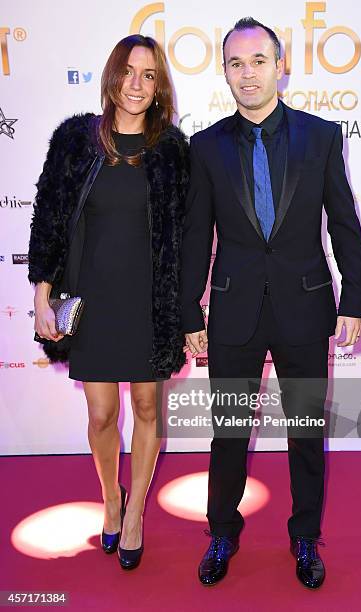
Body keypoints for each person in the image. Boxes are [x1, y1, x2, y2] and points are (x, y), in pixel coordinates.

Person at [181, 17, 361, 588]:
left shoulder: (320, 137)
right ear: (225, 72)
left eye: (259, 61)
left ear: (280, 66)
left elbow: (343, 222)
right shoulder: (206, 146)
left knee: (307, 430)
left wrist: (355, 299)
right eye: (236, 64)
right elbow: (196, 235)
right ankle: (222, 531)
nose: (248, 74)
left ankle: (305, 537)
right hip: (234, 312)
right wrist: (190, 310)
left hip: (306, 308)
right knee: (229, 432)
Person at [28, 34, 189, 570]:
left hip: (147, 301)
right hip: (91, 298)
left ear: (159, 84)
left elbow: (185, 235)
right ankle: (111, 498)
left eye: (148, 74)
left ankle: (136, 511)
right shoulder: (76, 140)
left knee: (146, 406)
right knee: (101, 412)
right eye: (128, 72)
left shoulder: (171, 149)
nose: (137, 84)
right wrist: (41, 294)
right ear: (112, 77)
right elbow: (49, 216)